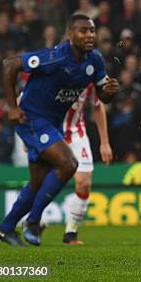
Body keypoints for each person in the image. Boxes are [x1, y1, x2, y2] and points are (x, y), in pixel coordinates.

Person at [0, 14, 119, 246]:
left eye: (92, 30)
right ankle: (33, 221)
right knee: (68, 164)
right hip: (30, 117)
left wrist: (110, 92)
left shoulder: (95, 61)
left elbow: (102, 96)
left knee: (37, 183)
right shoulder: (54, 58)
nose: (89, 35)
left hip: (52, 123)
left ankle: (5, 228)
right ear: (71, 34)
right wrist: (12, 107)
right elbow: (9, 65)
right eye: (83, 31)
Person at [62, 83, 113, 245]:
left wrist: (104, 142)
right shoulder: (51, 65)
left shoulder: (91, 73)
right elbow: (24, 100)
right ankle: (35, 220)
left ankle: (71, 232)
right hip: (49, 130)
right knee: (42, 180)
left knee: (84, 183)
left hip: (77, 133)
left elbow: (97, 106)